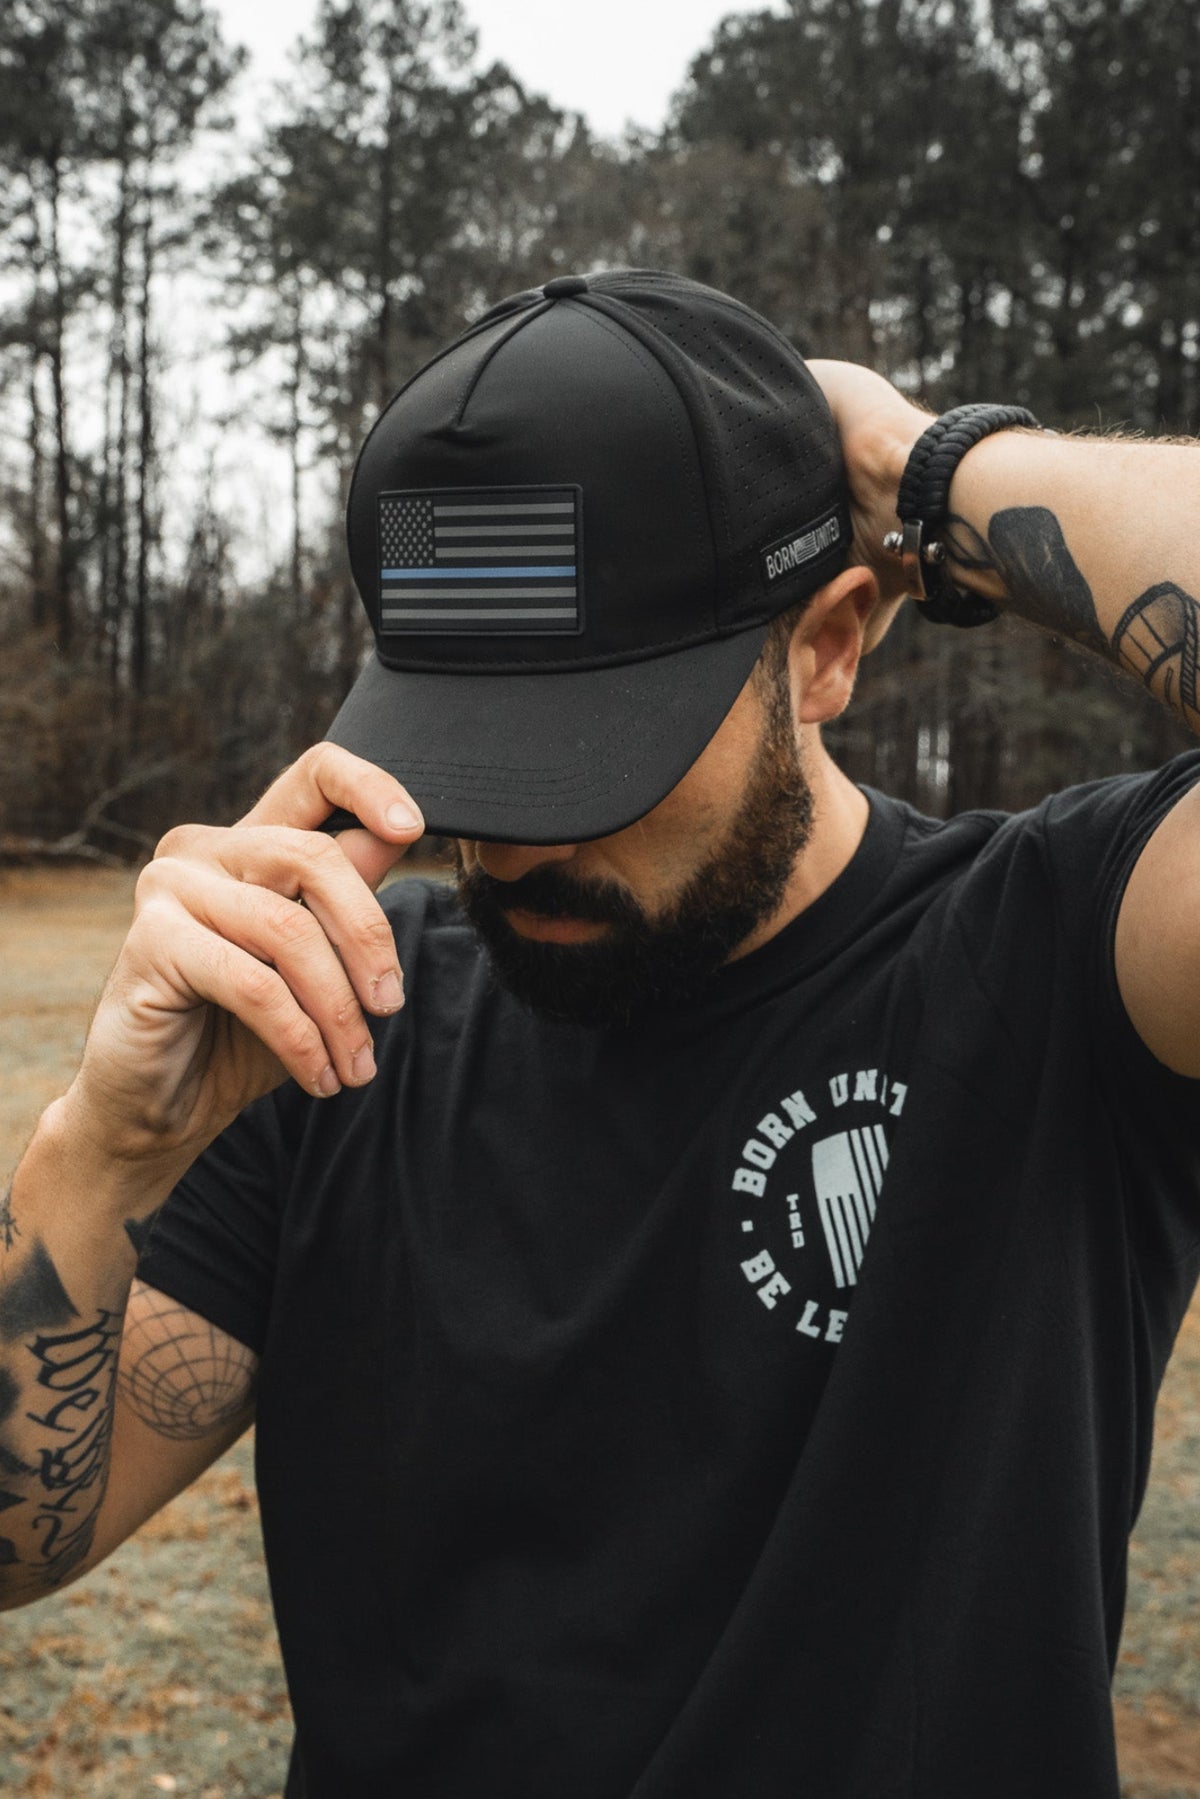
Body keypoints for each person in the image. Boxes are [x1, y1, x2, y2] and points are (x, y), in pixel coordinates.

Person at [2, 268, 1200, 1799]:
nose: (512, 843)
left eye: (593, 751)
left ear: (829, 647)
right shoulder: (331, 1019)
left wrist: (927, 466)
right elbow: (19, 1539)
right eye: (466, 752)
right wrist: (101, 1153)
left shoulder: (1055, 960)